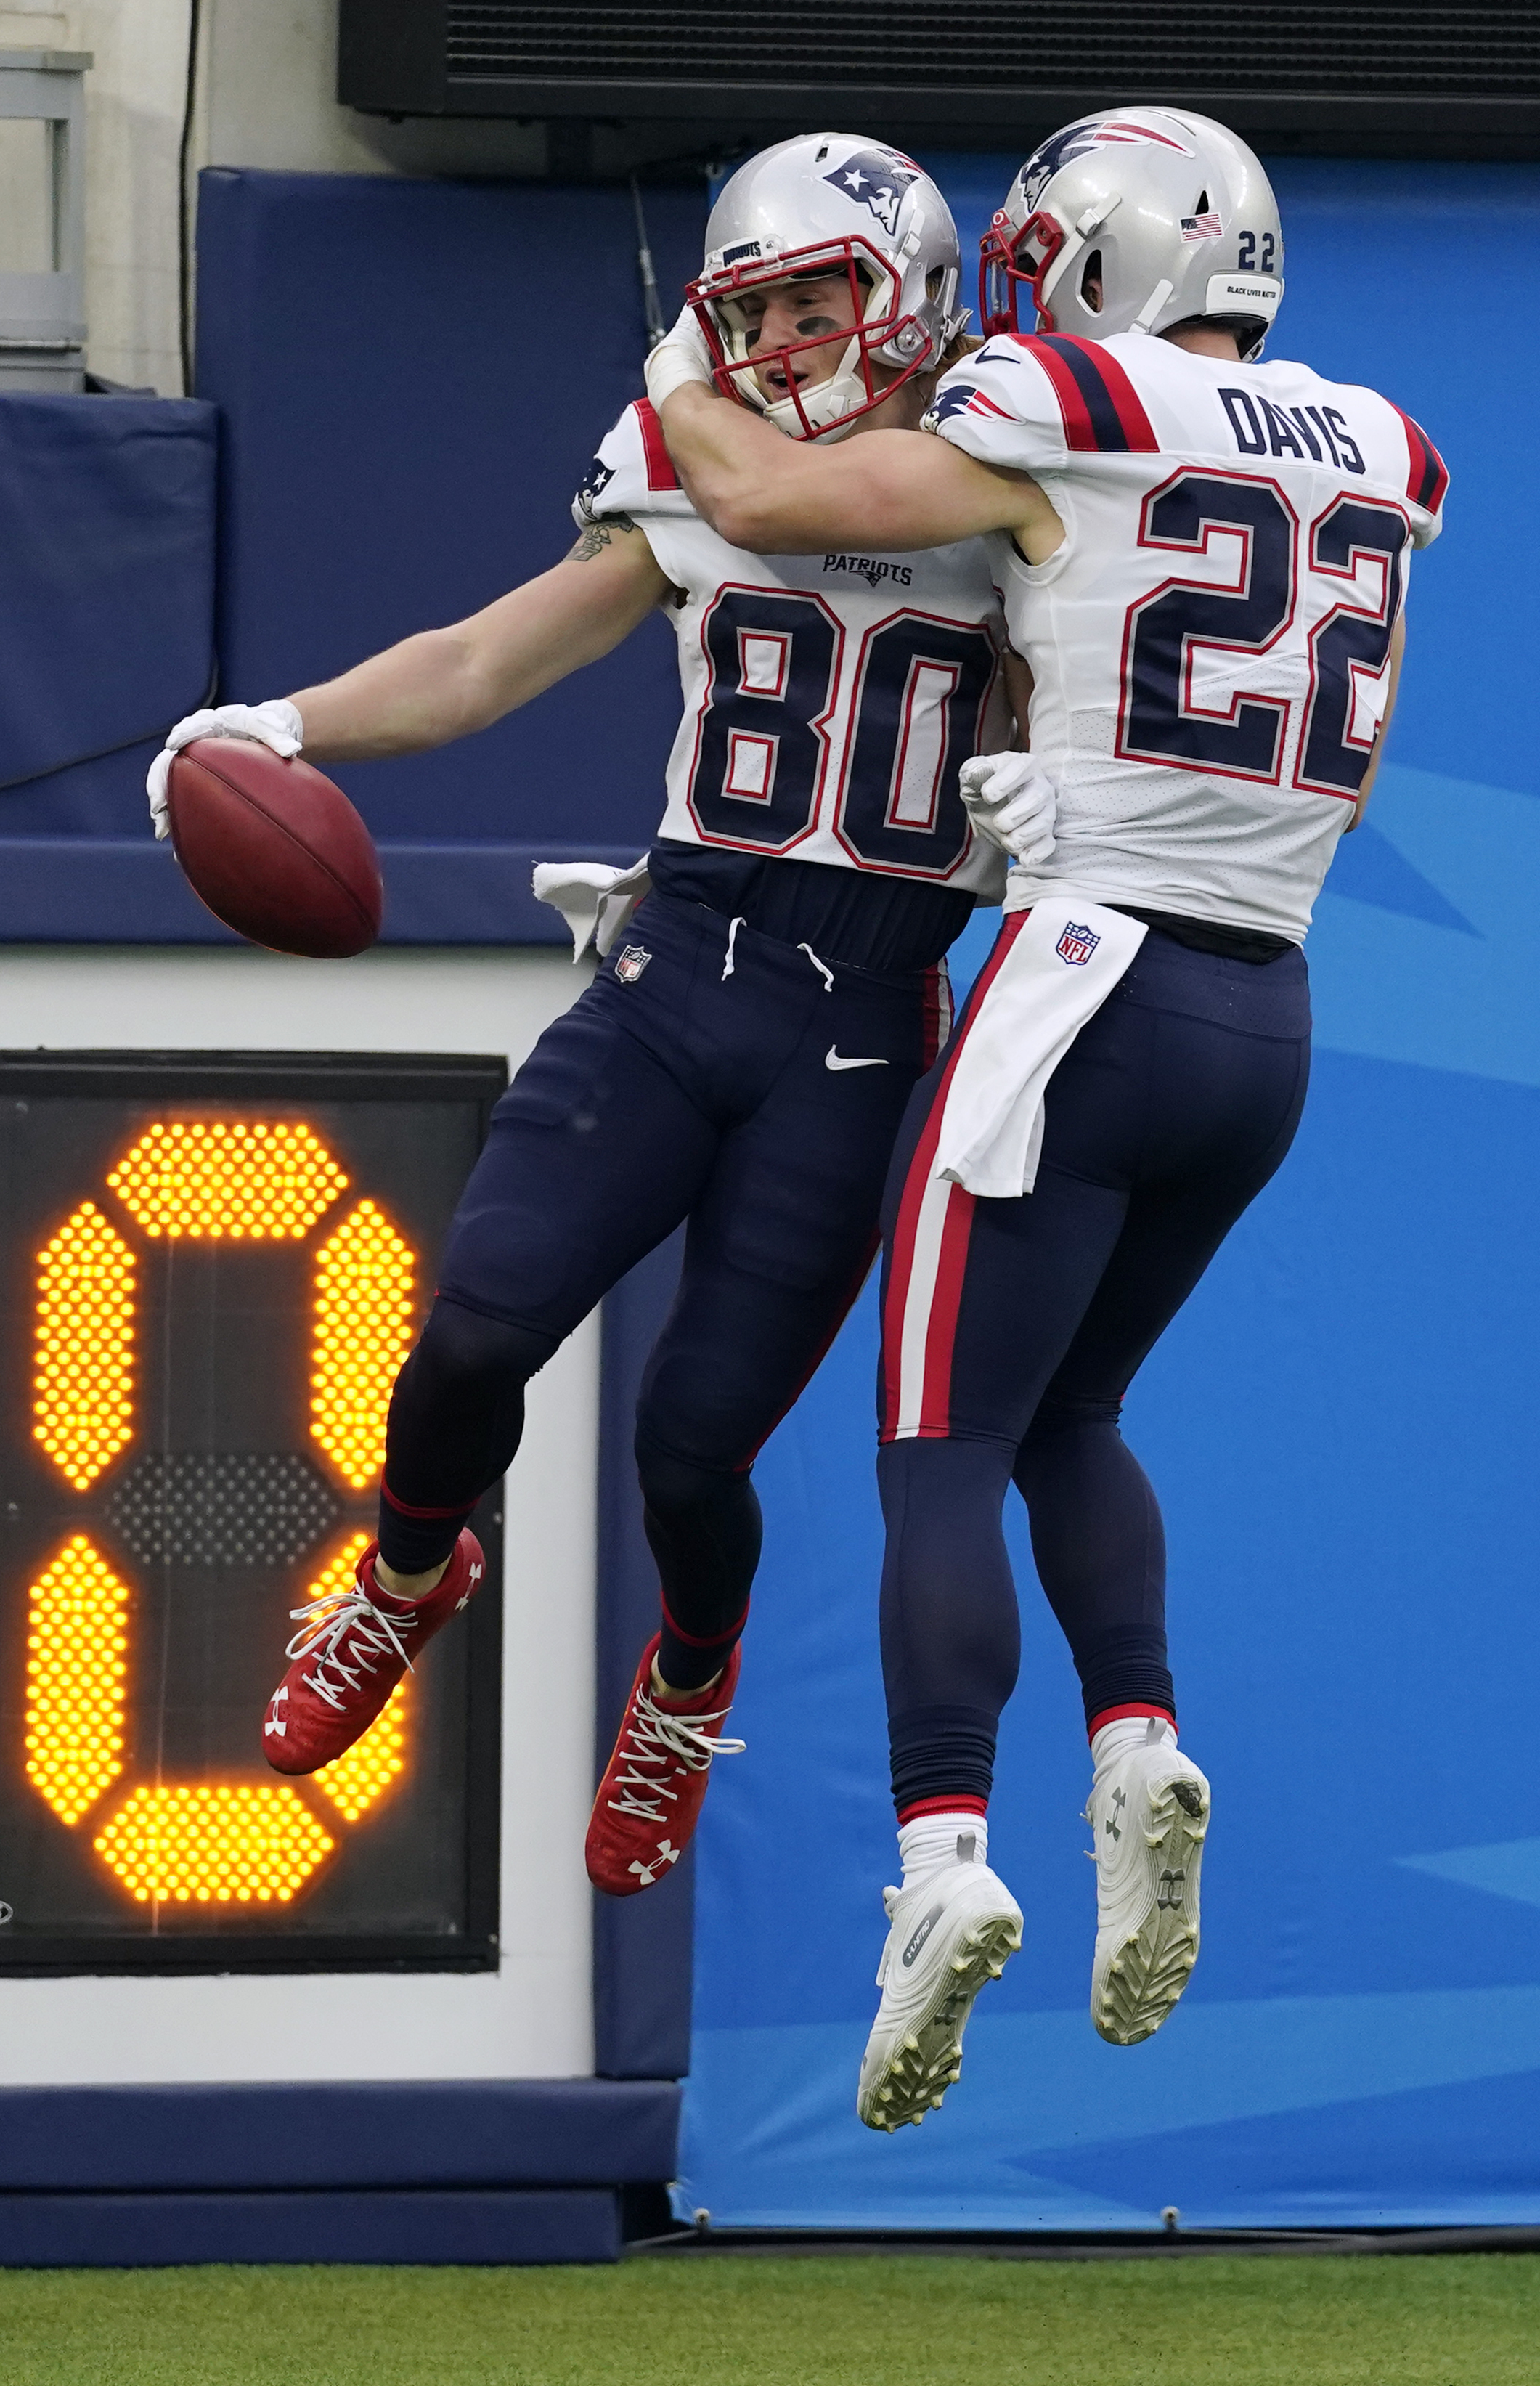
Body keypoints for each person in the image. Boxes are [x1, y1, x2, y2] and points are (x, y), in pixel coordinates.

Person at [647, 105, 1447, 2124]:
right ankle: (1136, 1740)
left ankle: (936, 1861)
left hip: (1083, 991)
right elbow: (1331, 781)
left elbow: (788, 498)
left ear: (1110, 257)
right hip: (1264, 1007)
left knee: (941, 1435)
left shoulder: (1065, 396)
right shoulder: (1377, 446)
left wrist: (677, 380)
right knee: (1078, 1414)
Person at [145, 136, 1059, 1902]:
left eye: (820, 297)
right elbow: (489, 657)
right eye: (758, 306)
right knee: (471, 1332)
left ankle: (690, 1676)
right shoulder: (691, 469)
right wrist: (282, 726)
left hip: (863, 1014)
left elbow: (1082, 707)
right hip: (681, 952)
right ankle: (409, 1576)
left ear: (914, 298)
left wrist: (1055, 783)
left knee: (692, 1440)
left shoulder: (1011, 470)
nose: (787, 337)